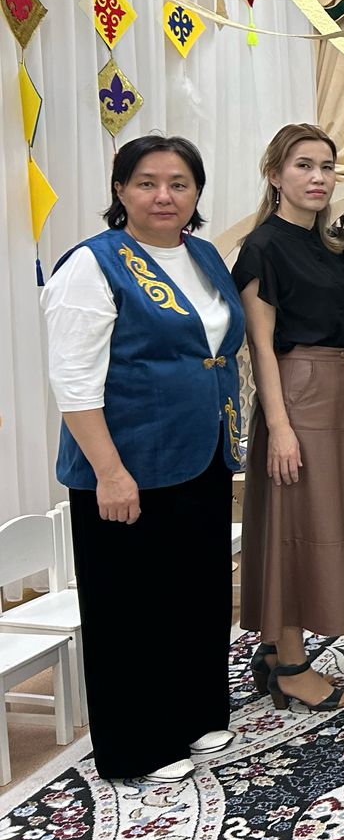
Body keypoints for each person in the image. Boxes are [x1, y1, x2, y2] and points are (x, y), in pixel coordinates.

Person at [44, 136, 242, 781]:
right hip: (126, 464)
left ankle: (195, 713)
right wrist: (109, 472)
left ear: (196, 192)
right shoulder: (92, 265)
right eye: (147, 182)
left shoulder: (203, 254)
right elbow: (74, 383)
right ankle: (138, 746)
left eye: (179, 183)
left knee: (196, 591)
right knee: (131, 608)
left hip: (201, 453)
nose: (164, 196)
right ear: (120, 190)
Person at [234, 123, 344, 712]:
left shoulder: (329, 245)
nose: (318, 177)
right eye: (303, 165)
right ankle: (293, 667)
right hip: (295, 395)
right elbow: (260, 347)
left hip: (336, 390)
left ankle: (275, 650)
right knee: (296, 527)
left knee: (322, 519)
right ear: (275, 175)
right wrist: (280, 427)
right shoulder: (262, 247)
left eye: (326, 166)